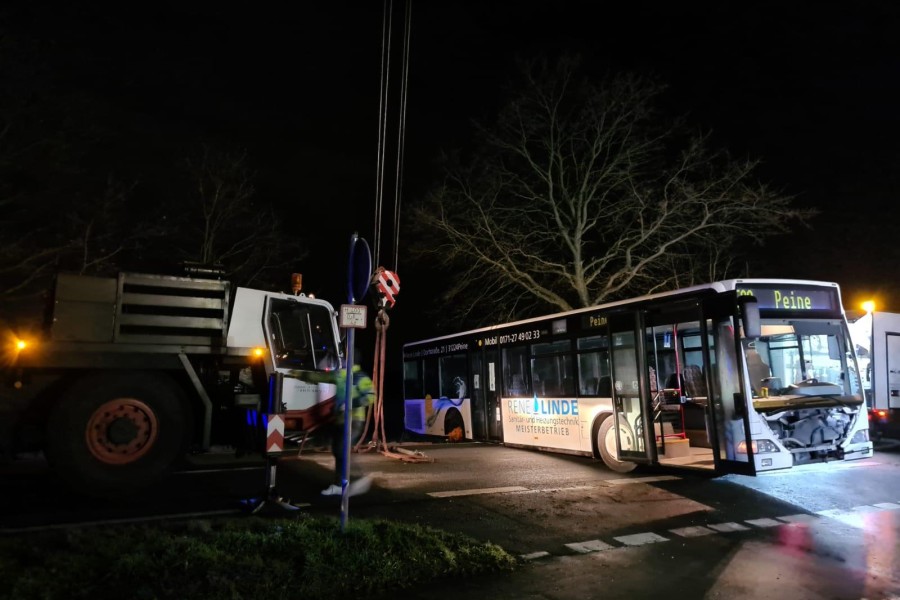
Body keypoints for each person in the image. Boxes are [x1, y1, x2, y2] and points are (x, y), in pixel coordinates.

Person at [319, 350, 375, 497]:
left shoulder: (359, 376)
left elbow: (370, 396)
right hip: (341, 419)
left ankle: (356, 479)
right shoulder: (342, 375)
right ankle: (341, 484)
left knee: (342, 450)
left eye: (343, 359)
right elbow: (321, 376)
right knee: (338, 450)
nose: (341, 362)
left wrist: (350, 404)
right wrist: (298, 374)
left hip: (354, 420)